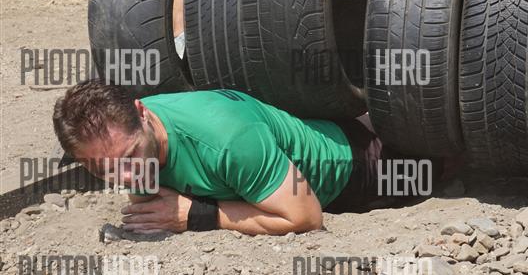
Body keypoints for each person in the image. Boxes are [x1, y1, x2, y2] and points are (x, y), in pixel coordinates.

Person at [52, 79, 434, 235]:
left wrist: (198, 215)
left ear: (142, 113)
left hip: (361, 166)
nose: (128, 178)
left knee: (441, 165)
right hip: (296, 142)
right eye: (106, 170)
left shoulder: (227, 139)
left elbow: (306, 218)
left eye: (131, 156)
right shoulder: (126, 133)